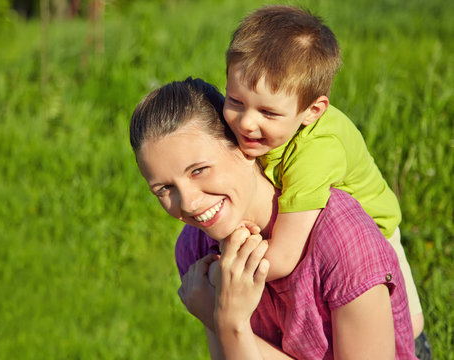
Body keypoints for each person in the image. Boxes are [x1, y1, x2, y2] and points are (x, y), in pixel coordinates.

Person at [130, 77, 420, 359]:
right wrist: (228, 327)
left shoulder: (343, 239)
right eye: (165, 189)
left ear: (242, 145)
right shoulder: (196, 250)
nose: (189, 203)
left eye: (199, 170)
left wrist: (229, 325)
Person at [221, 4, 425, 338]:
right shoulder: (262, 124)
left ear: (312, 111)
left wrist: (225, 277)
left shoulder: (315, 152)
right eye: (235, 101)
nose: (246, 122)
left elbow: (284, 257)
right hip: (314, 229)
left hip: (373, 234)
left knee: (403, 329)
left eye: (268, 113)